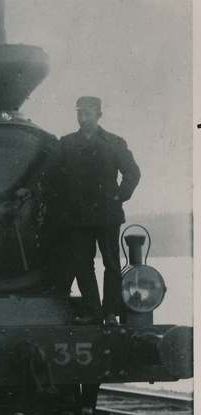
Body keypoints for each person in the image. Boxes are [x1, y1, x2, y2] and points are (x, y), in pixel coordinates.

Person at [60, 96, 141, 325]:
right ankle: (93, 312)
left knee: (111, 263)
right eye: (80, 114)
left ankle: (111, 312)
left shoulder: (114, 142)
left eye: (88, 114)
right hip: (78, 216)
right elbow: (52, 172)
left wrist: (120, 195)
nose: (83, 118)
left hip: (107, 214)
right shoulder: (66, 143)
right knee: (82, 264)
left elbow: (132, 172)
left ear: (99, 115)